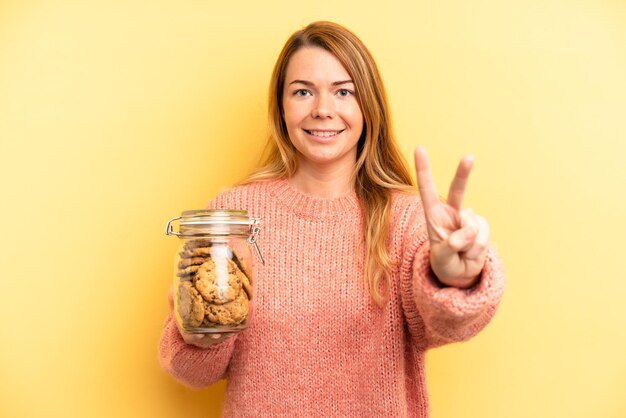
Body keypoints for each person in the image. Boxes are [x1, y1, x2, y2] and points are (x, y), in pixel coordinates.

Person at [159, 21, 504, 417]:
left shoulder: (409, 220)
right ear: (281, 107)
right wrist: (198, 334)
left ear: (367, 106)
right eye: (303, 92)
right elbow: (193, 373)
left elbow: (448, 326)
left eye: (343, 92)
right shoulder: (234, 216)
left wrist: (454, 278)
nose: (323, 110)